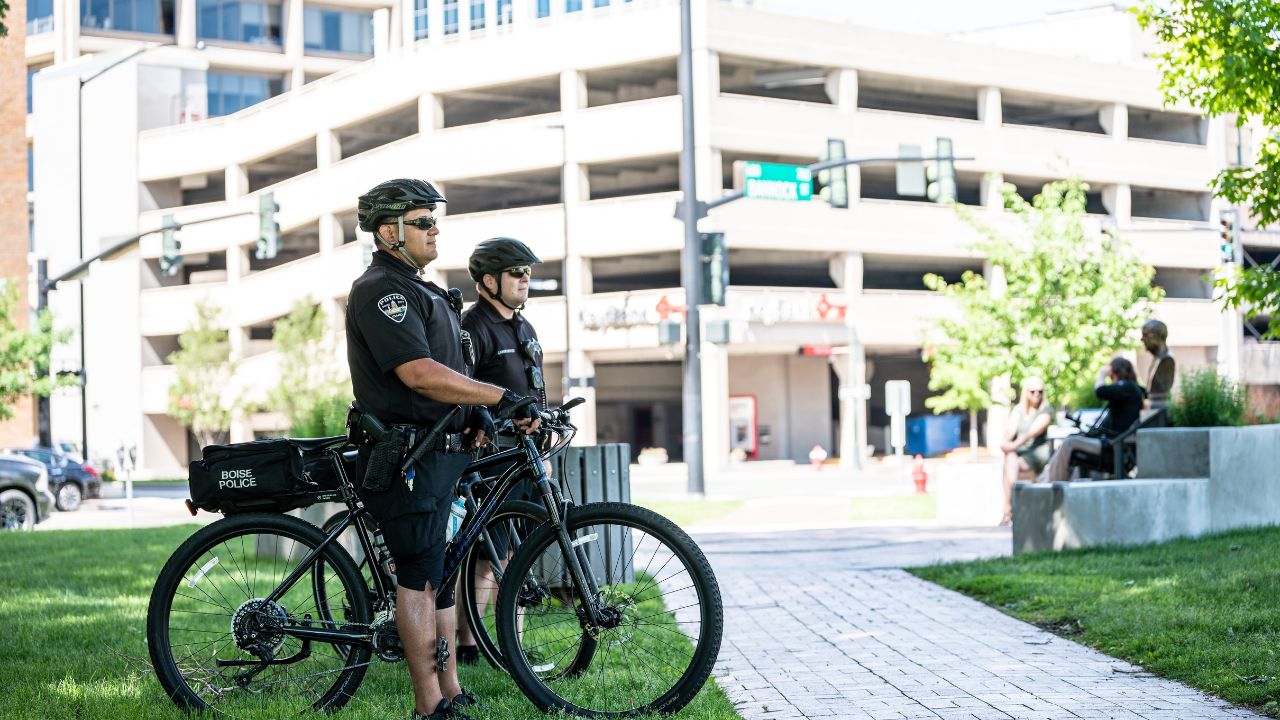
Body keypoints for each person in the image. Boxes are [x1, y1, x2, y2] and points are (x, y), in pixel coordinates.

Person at [346, 178, 541, 720]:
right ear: (390, 231)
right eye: (423, 221)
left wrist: (473, 410)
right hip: (406, 456)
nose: (436, 230)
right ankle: (428, 703)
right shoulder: (381, 290)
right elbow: (418, 373)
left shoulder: (424, 288)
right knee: (419, 575)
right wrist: (501, 397)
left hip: (440, 453)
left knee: (444, 571)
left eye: (436, 220)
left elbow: (450, 374)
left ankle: (452, 688)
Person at [454, 236, 545, 665]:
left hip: (527, 457)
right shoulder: (474, 328)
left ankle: (515, 645)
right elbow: (462, 390)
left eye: (528, 273)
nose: (526, 280)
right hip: (492, 458)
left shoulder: (522, 326)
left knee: (522, 554)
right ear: (489, 281)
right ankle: (468, 643)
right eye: (517, 273)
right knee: (490, 556)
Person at [1036, 357, 1146, 484]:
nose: (1111, 379)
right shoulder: (1130, 391)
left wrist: (1102, 373)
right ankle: (1046, 480)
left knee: (1070, 443)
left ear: (1116, 373)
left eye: (1111, 375)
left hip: (1113, 447)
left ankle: (1052, 485)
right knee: (1071, 442)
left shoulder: (1128, 388)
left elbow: (1100, 391)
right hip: (1112, 445)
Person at [998, 376, 1052, 525]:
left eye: (1040, 391)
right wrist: (1005, 442)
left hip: (1037, 453)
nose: (1037, 394)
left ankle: (1009, 510)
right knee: (1010, 459)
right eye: (1033, 391)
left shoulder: (1046, 411)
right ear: (1026, 392)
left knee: (1010, 460)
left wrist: (1011, 446)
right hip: (1018, 454)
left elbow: (1030, 434)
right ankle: (1011, 506)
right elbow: (1010, 431)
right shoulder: (1019, 410)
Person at [1141, 319, 1176, 410]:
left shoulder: (1166, 360)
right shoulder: (1156, 359)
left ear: (1157, 336)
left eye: (1145, 335)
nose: (1142, 339)